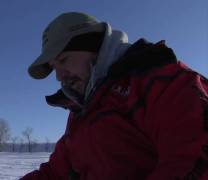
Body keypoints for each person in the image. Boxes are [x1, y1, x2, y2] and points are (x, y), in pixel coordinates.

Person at [21, 12, 208, 179]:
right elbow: (54, 173)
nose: (59, 76)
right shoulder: (81, 113)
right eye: (55, 67)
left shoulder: (163, 82)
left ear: (93, 46)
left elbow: (194, 161)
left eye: (63, 60)